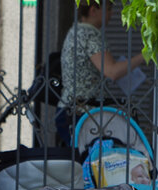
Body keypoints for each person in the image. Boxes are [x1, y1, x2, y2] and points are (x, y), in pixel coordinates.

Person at [55, 0, 145, 147]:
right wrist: (145, 55)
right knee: (91, 162)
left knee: (82, 162)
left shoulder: (76, 31)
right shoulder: (89, 34)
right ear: (93, 10)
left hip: (70, 110)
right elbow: (111, 71)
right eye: (108, 9)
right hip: (81, 113)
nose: (112, 13)